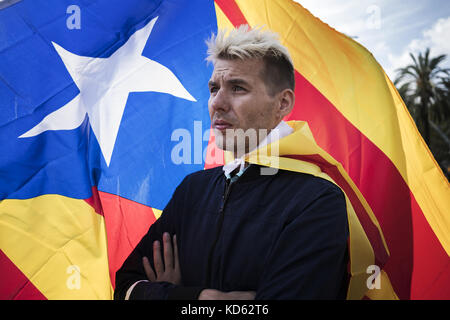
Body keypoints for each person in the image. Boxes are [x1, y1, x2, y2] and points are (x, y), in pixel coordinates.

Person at [114, 25, 349, 300]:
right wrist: (199, 298)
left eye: (238, 88)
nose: (218, 103)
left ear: (283, 104)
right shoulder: (193, 190)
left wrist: (161, 294)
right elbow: (125, 286)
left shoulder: (318, 200)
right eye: (214, 89)